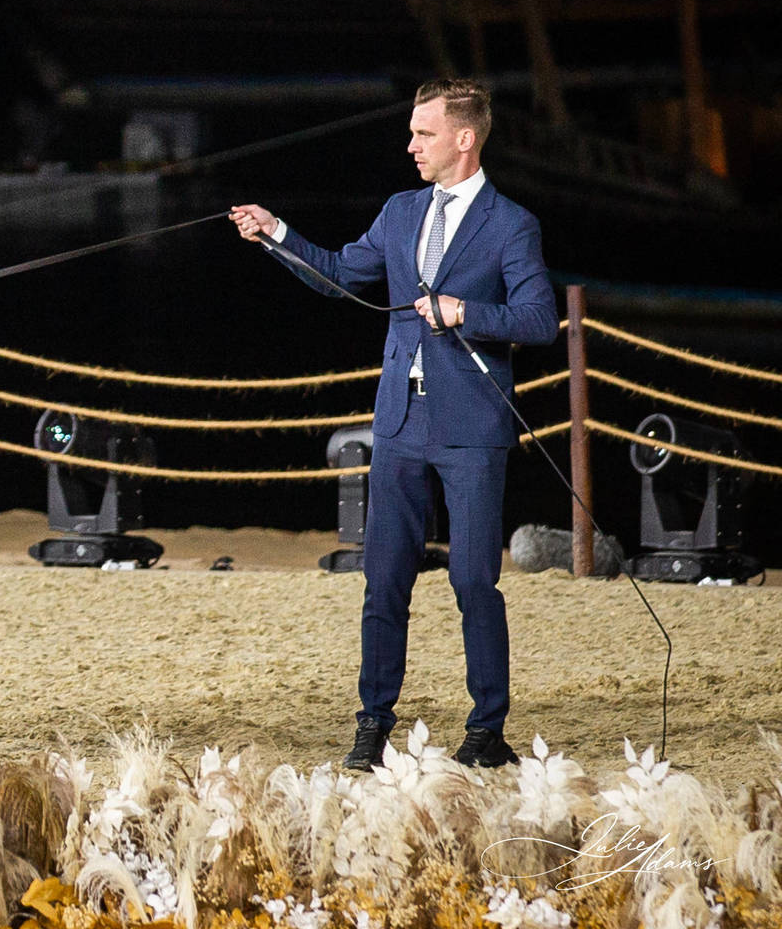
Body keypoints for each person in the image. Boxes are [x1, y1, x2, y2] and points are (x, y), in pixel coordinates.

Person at [230, 78, 557, 771]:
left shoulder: (510, 224)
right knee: (384, 582)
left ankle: (486, 730)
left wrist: (466, 312)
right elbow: (341, 274)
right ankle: (372, 724)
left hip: (470, 428)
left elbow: (536, 320)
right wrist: (276, 233)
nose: (411, 145)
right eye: (412, 132)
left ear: (464, 139)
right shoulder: (401, 211)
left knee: (474, 582)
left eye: (424, 133)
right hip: (400, 425)